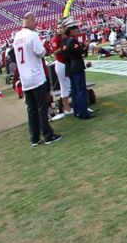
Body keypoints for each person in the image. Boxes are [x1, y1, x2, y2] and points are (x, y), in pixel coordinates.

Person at [11, 13, 62, 147]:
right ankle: (47, 135)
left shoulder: (16, 37)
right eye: (35, 21)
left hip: (25, 78)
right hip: (36, 76)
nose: (36, 24)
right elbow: (41, 52)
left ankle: (34, 138)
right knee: (42, 107)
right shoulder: (32, 35)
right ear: (31, 21)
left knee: (31, 109)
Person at [62, 19, 94, 119]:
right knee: (81, 90)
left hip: (69, 68)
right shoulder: (72, 40)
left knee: (75, 90)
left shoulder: (64, 41)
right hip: (76, 67)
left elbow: (68, 55)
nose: (77, 30)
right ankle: (84, 113)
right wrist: (86, 46)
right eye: (75, 28)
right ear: (71, 30)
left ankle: (77, 111)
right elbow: (80, 53)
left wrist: (82, 45)